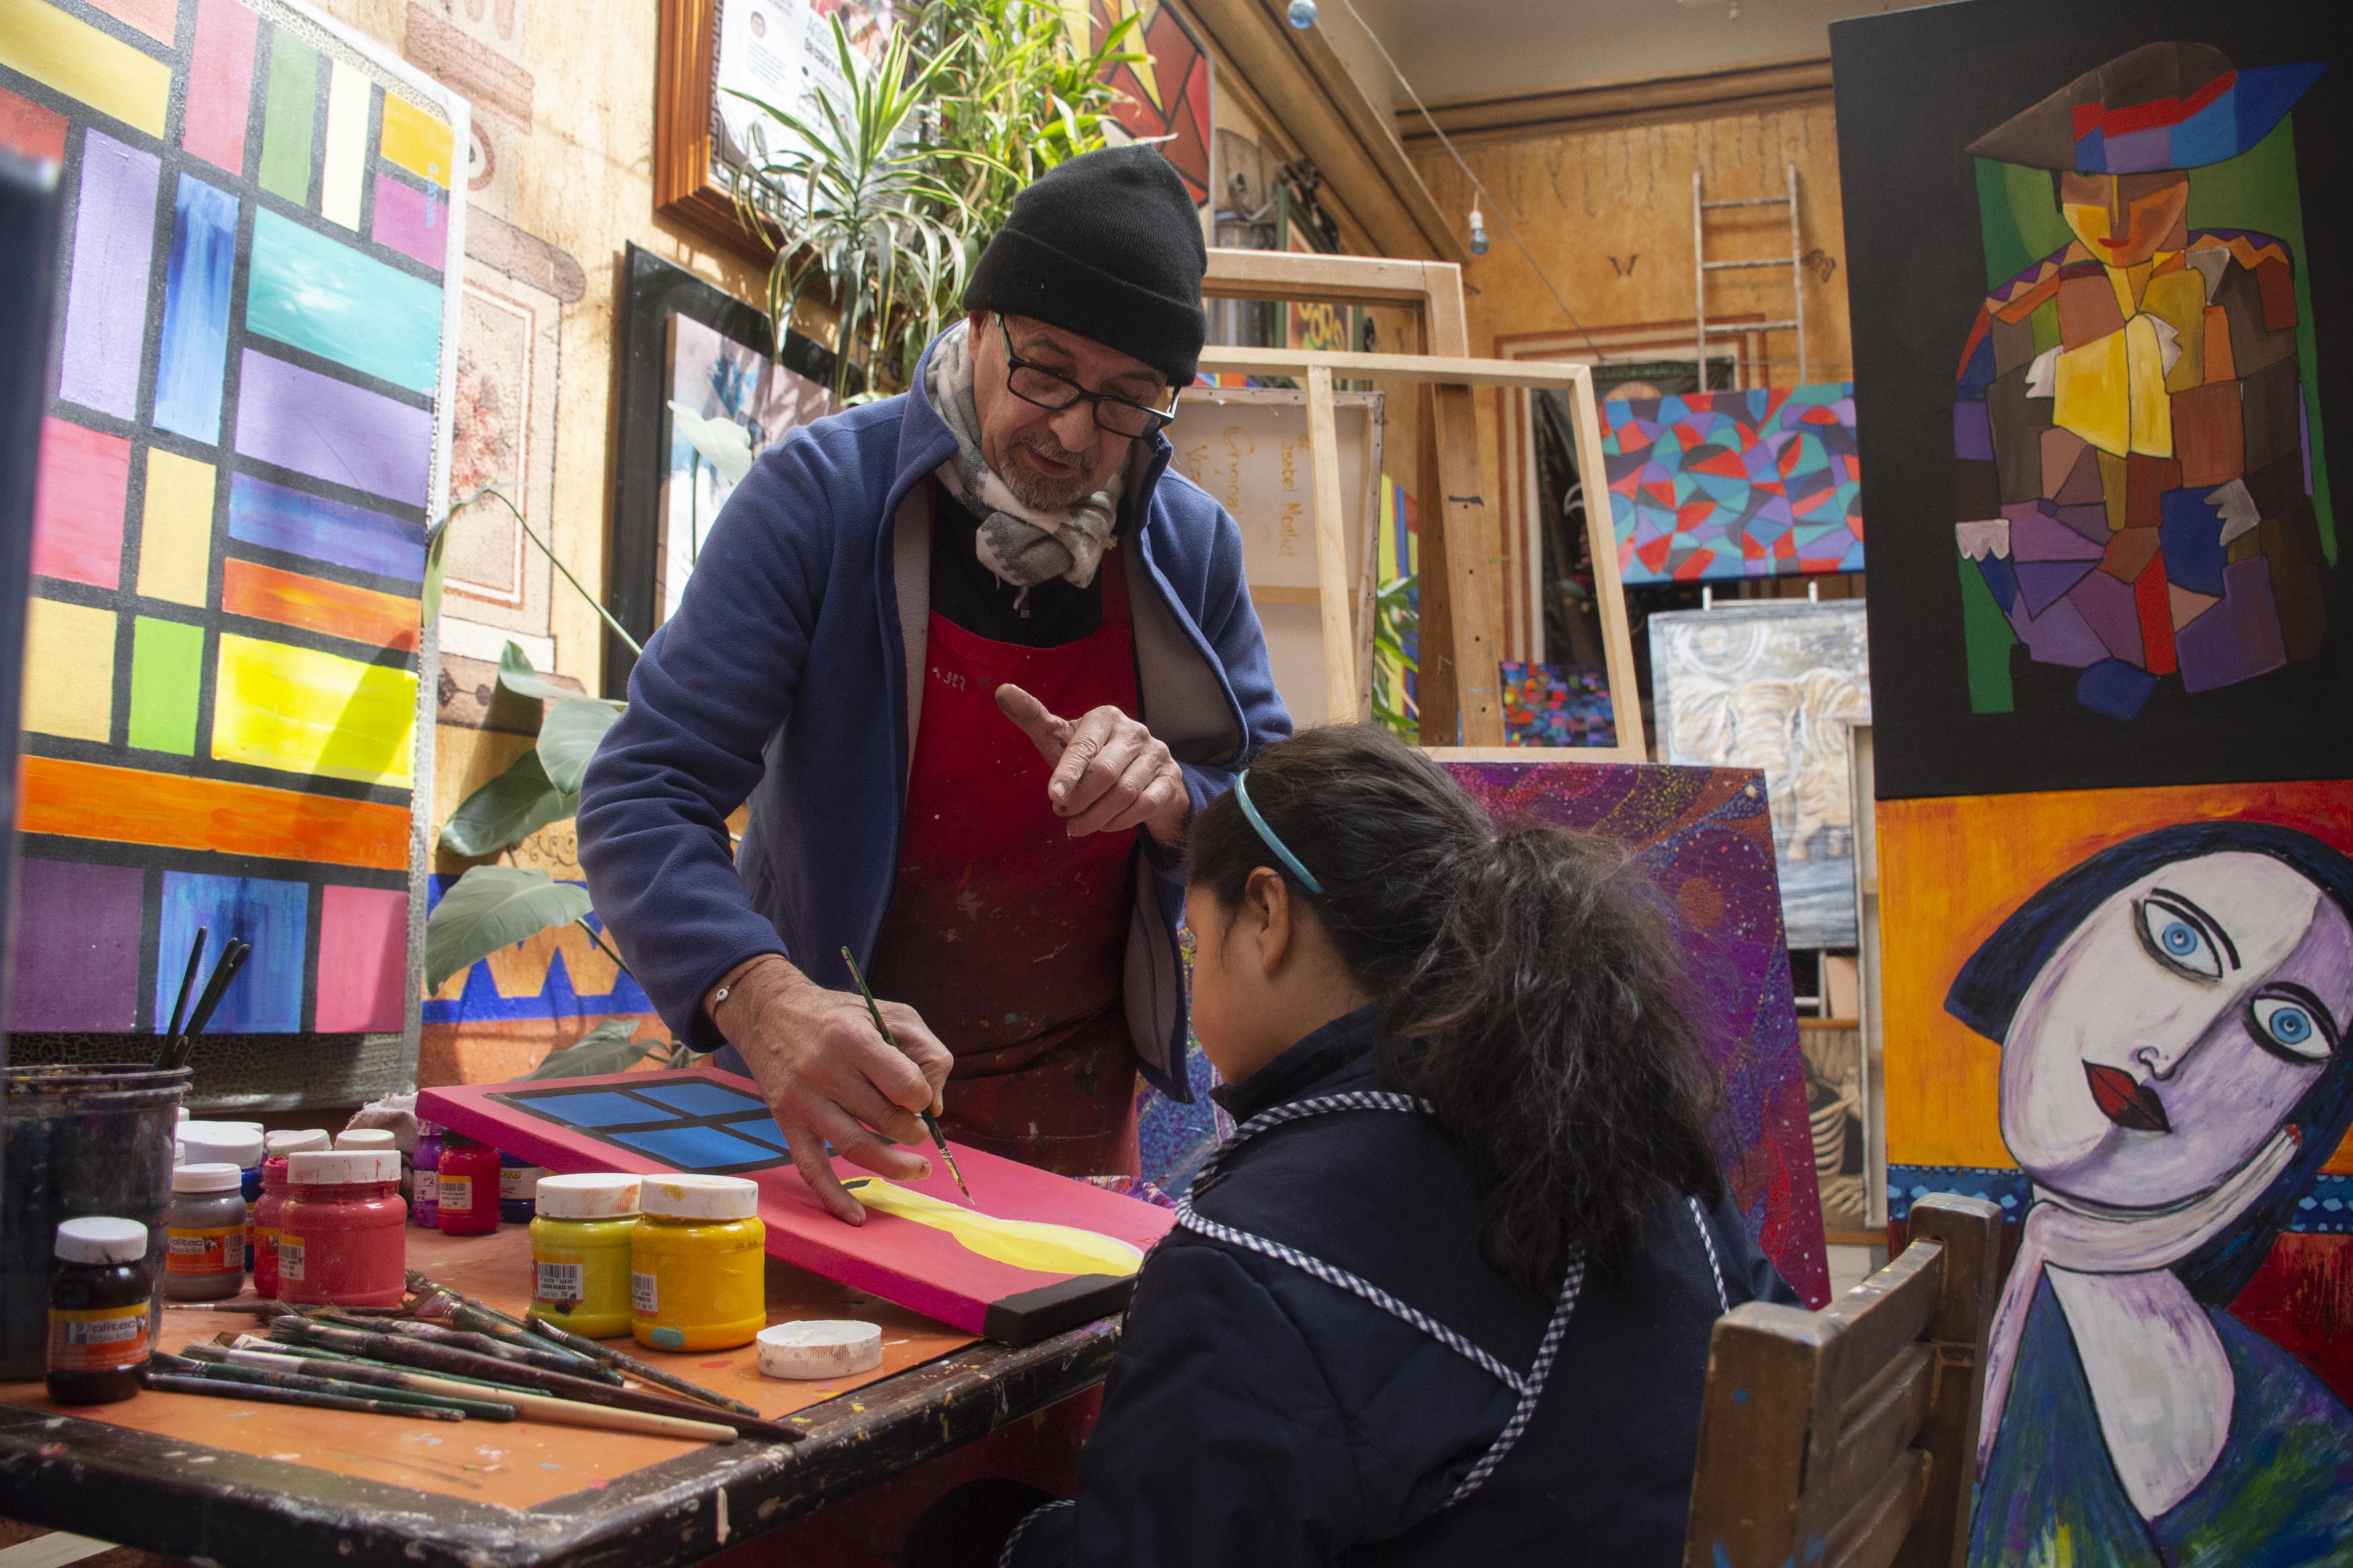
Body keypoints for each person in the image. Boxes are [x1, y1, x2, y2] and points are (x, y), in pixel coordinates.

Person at [577, 146, 1288, 1212]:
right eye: (1044, 367)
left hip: (1075, 1108)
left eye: (1126, 400)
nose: (1071, 429)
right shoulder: (820, 502)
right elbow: (644, 793)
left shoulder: (1189, 549)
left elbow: (1275, 808)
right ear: (976, 328)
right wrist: (762, 998)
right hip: (827, 1091)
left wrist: (1175, 797)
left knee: (1064, 1368)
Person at [906, 726, 1796, 1568]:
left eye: (1195, 943)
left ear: (1266, 914)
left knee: (967, 1529)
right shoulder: (1620, 1125)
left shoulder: (1254, 1259)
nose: (1195, 969)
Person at [1950, 823, 2353, 1565]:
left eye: (2281, 1028)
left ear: (2282, 1140)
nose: (2172, 1050)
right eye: (2177, 942)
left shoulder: (2313, 1485)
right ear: (2064, 942)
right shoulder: (1944, 1295)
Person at [1952, 42, 2327, 721]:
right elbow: (1976, 461)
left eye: (2144, 192)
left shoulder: (2247, 273)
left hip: (2233, 593)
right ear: (2060, 194)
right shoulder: (2015, 311)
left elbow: (2283, 416)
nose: (2116, 221)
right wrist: (1993, 528)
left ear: (2182, 185)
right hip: (2077, 608)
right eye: (2087, 192)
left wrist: (2259, 492)